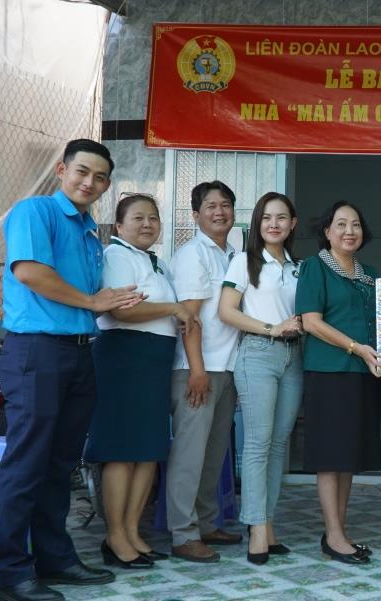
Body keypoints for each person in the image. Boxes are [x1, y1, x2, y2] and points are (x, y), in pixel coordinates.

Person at [0, 139, 143, 601]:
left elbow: (94, 297)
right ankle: (11, 574)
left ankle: (55, 559)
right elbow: (30, 272)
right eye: (82, 172)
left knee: (61, 464)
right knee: (28, 462)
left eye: (100, 177)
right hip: (36, 351)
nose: (89, 183)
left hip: (80, 353)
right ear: (62, 170)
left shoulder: (88, 232)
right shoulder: (34, 212)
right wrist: (94, 301)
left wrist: (114, 302)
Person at [84, 194, 198, 570]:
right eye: (138, 218)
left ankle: (133, 532)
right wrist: (173, 308)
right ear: (119, 226)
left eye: (153, 218)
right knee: (121, 450)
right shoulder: (116, 256)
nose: (148, 224)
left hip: (153, 362)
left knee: (148, 451)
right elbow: (120, 309)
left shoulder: (157, 263)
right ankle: (115, 536)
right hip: (123, 358)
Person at [218, 192, 303, 565]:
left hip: (294, 357)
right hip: (258, 352)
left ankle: (268, 524)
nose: (274, 224)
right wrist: (272, 328)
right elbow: (226, 311)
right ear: (257, 223)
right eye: (267, 217)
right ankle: (255, 528)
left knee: (278, 444)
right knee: (257, 443)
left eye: (281, 217)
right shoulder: (244, 262)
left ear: (292, 223)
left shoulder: (298, 267)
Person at [296, 201, 381, 565]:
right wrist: (355, 348)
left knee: (348, 457)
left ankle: (338, 531)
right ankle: (333, 535)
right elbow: (311, 321)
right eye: (341, 224)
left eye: (356, 224)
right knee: (331, 458)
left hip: (363, 373)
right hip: (330, 372)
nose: (350, 231)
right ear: (327, 231)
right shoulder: (314, 268)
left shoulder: (369, 275)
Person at [166, 181, 242, 563]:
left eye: (225, 205)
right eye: (210, 206)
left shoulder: (232, 254)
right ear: (196, 215)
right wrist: (196, 369)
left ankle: (207, 522)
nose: (219, 212)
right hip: (199, 369)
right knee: (189, 454)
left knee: (215, 453)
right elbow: (189, 317)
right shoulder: (193, 255)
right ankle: (183, 533)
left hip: (226, 368)